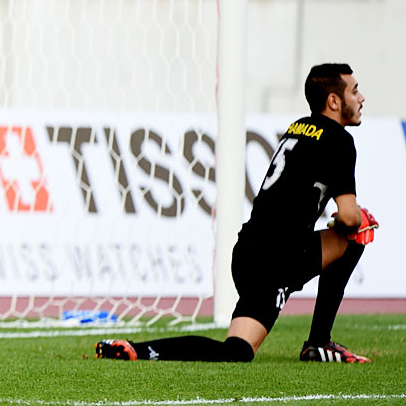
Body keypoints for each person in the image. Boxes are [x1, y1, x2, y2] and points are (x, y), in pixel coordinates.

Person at [96, 63, 378, 364]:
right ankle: (319, 342)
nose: (361, 98)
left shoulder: (299, 127)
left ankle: (136, 350)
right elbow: (350, 218)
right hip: (281, 257)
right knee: (361, 230)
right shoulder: (339, 140)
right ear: (334, 101)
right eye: (355, 91)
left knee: (237, 349)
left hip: (248, 250)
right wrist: (352, 220)